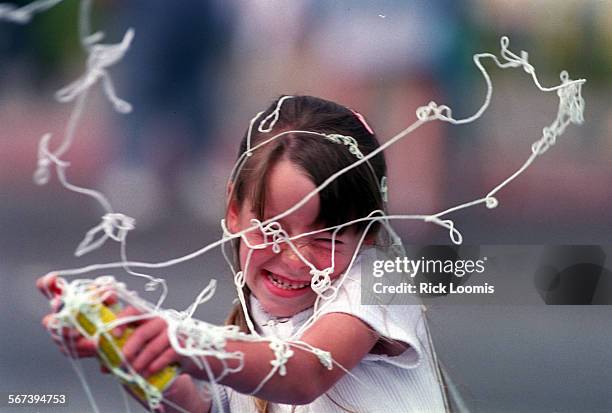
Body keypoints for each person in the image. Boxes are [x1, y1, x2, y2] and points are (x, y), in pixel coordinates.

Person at [39, 96, 448, 412]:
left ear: (369, 236)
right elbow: (206, 404)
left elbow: (304, 371)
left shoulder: (378, 281)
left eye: (328, 239)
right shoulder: (252, 328)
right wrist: (136, 349)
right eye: (273, 228)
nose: (294, 257)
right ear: (234, 211)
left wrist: (183, 342)